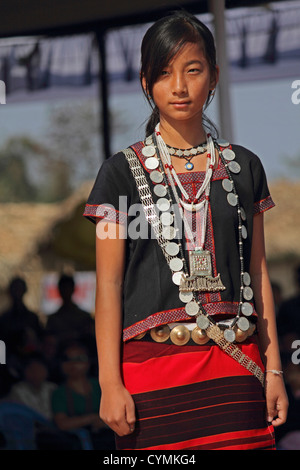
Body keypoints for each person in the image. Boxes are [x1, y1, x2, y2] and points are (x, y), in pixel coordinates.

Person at [83, 11, 288, 450]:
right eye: (164, 73)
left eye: (193, 70)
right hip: (149, 377)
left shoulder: (244, 168)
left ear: (213, 76)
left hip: (235, 370)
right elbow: (108, 283)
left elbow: (259, 272)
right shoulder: (118, 175)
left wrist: (274, 371)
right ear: (145, 82)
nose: (179, 86)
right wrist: (109, 383)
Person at [51, 341, 115, 450]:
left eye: (79, 359)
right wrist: (93, 418)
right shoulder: (59, 392)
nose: (73, 364)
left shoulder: (100, 385)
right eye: (67, 360)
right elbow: (62, 424)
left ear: (88, 362)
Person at [46, 274, 95, 346]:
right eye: (63, 288)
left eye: (67, 288)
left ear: (73, 289)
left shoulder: (85, 317)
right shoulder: (53, 319)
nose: (65, 291)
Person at [8, 353, 57, 420]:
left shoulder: (53, 388)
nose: (35, 373)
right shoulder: (18, 390)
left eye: (39, 368)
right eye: (31, 369)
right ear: (24, 371)